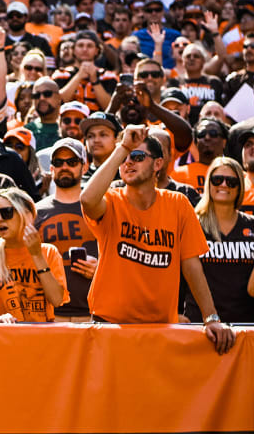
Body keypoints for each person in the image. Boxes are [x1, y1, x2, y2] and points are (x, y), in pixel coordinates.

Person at [80, 125, 235, 353]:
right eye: (124, 158)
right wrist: (123, 148)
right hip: (110, 325)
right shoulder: (112, 201)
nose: (128, 162)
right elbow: (87, 200)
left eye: (137, 156)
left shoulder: (178, 204)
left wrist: (211, 317)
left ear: (158, 164)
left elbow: (191, 266)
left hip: (161, 327)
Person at [182, 158, 254, 324]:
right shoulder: (192, 223)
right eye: (217, 179)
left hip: (248, 325)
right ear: (208, 184)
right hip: (201, 324)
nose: (223, 185)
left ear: (240, 187)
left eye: (231, 182)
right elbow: (180, 275)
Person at [0, 187, 68, 322]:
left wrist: (37, 256)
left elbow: (57, 300)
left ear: (28, 215)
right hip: (3, 333)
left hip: (40, 334)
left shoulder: (48, 252)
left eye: (7, 212)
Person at [34, 138, 99, 321]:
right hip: (50, 315)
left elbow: (118, 254)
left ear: (84, 167)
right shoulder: (35, 212)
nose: (64, 167)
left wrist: (101, 269)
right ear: (51, 168)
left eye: (72, 162)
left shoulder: (98, 208)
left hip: (94, 313)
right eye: (58, 162)